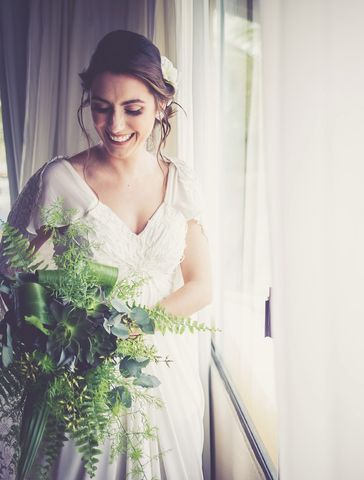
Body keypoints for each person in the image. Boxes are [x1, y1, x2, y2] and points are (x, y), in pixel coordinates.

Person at [2, 30, 211, 479]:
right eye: (101, 108)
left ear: (161, 105)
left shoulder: (181, 183)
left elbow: (200, 284)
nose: (115, 125)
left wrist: (141, 323)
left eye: (132, 109)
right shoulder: (62, 179)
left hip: (164, 375)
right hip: (82, 374)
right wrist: (52, 326)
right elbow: (11, 268)